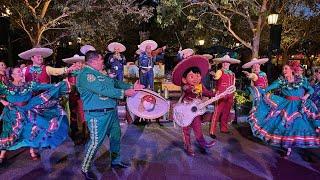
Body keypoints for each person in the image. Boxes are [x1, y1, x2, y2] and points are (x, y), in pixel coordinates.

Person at [76, 51, 144, 179]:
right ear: (94, 61)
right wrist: (124, 93)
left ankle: (115, 161)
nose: (103, 62)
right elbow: (102, 90)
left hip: (111, 112)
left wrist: (131, 86)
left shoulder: (99, 73)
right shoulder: (85, 75)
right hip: (97, 115)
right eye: (101, 60)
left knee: (116, 137)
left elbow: (114, 84)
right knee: (96, 142)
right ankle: (85, 168)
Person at [247, 61, 320, 157]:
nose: (284, 70)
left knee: (301, 125)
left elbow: (311, 89)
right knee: (286, 126)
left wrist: (306, 96)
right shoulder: (280, 81)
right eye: (283, 69)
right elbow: (267, 89)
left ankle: (293, 145)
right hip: (286, 105)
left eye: (286, 68)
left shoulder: (301, 80)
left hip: (299, 105)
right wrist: (257, 89)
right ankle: (288, 147)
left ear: (291, 70)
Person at [0, 67, 70, 164]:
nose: (21, 73)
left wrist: (60, 85)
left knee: (36, 128)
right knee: (11, 134)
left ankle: (35, 152)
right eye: (18, 72)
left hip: (28, 109)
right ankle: (2, 155)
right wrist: (4, 102)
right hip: (12, 113)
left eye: (21, 71)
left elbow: (46, 86)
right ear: (12, 75)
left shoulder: (29, 85)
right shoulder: (5, 87)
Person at [172, 55, 216, 156]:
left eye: (197, 76)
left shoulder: (200, 86)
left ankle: (202, 143)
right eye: (192, 76)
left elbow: (207, 93)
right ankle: (187, 145)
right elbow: (187, 90)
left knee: (197, 127)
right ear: (184, 79)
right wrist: (193, 90)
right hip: (185, 110)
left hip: (195, 111)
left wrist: (217, 94)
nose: (195, 79)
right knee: (186, 129)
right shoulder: (186, 86)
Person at [209, 55, 240, 139]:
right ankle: (212, 131)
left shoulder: (232, 73)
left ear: (230, 64)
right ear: (222, 63)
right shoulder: (220, 71)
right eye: (224, 62)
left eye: (227, 62)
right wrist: (214, 75)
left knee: (226, 112)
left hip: (230, 95)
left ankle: (224, 128)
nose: (226, 64)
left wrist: (234, 94)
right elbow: (216, 77)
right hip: (221, 94)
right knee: (217, 112)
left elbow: (233, 85)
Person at [62, 55, 87, 145]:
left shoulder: (84, 72)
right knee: (73, 114)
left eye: (81, 62)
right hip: (72, 96)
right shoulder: (69, 72)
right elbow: (65, 80)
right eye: (77, 62)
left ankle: (84, 134)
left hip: (82, 96)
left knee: (82, 114)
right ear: (74, 63)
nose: (79, 64)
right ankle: (74, 132)